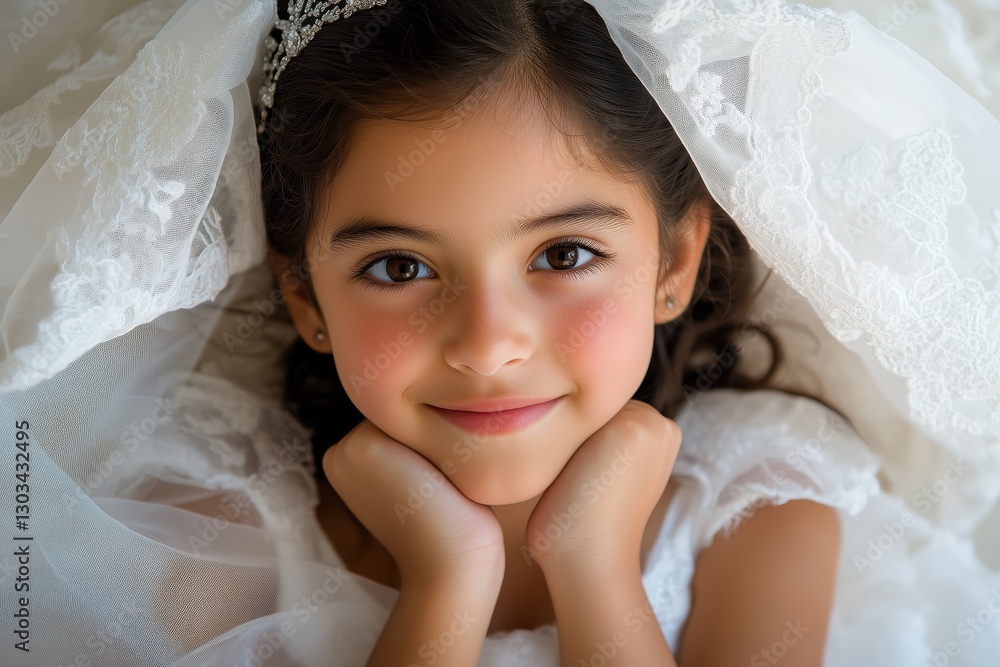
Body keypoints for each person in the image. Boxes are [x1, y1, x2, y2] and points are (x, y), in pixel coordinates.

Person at [1, 0, 999, 665]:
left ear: (674, 262)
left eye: (562, 255)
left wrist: (596, 569)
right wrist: (447, 581)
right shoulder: (214, 521)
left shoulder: (759, 510)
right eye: (399, 268)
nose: (486, 342)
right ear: (306, 299)